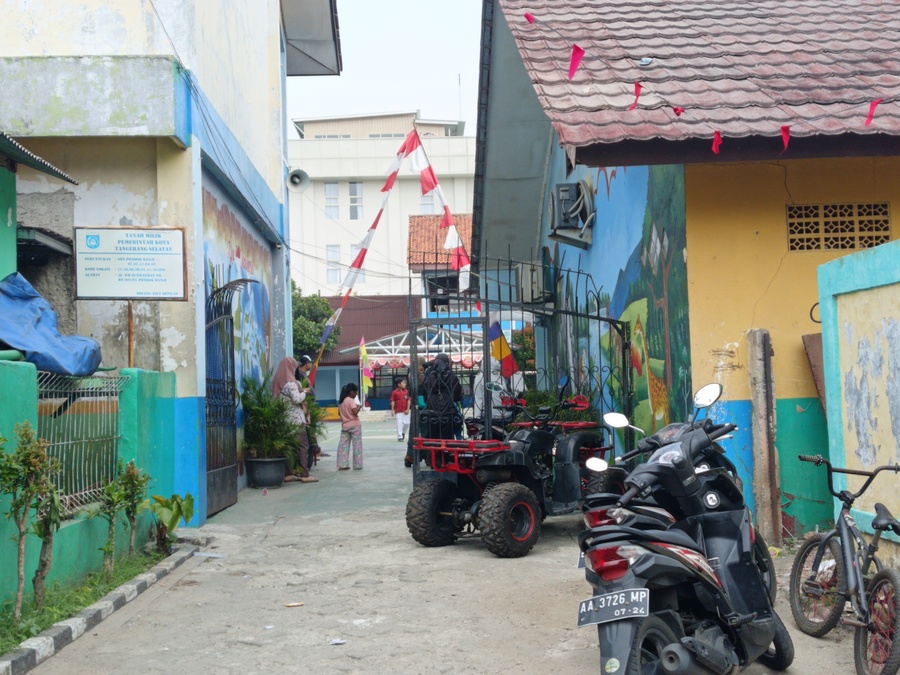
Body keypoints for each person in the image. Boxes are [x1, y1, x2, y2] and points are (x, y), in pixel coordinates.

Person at [272, 356, 318, 483]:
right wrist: (306, 392)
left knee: (288, 447)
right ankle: (305, 474)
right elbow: (297, 399)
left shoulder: (280, 383)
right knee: (303, 446)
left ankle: (288, 473)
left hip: (286, 421)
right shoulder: (291, 383)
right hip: (296, 421)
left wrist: (300, 390)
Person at [421, 353, 463, 440]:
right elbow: (457, 397)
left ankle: (435, 453)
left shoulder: (429, 378)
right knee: (447, 441)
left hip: (432, 414)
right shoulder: (452, 377)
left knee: (434, 442)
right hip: (448, 413)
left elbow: (425, 397)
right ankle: (446, 453)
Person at [295, 354, 330, 458]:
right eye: (310, 362)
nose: (311, 364)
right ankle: (314, 451)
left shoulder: (303, 374)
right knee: (310, 429)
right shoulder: (300, 375)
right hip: (306, 404)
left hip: (309, 403)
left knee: (312, 429)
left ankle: (315, 450)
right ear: (306, 364)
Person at [336, 382, 363, 470]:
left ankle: (343, 464)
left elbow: (339, 413)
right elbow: (355, 412)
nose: (356, 395)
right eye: (355, 392)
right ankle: (357, 465)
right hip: (355, 425)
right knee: (357, 446)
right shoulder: (350, 400)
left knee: (343, 446)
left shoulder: (341, 402)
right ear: (351, 392)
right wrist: (359, 407)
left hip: (345, 426)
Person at [390, 378, 412, 442]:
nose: (405, 384)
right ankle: (400, 436)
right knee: (399, 423)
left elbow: (408, 400)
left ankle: (403, 432)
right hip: (398, 411)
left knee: (407, 423)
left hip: (405, 411)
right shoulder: (394, 392)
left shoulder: (407, 392)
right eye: (403, 383)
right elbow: (393, 401)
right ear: (399, 384)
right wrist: (392, 410)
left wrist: (408, 409)